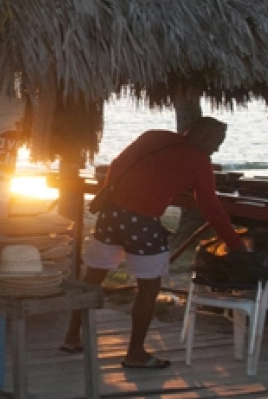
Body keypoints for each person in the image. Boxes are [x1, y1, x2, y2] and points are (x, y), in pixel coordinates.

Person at [61, 116, 248, 369]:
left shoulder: (153, 137)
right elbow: (210, 206)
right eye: (216, 142)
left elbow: (117, 165)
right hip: (143, 222)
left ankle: (72, 337)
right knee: (148, 288)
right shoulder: (199, 161)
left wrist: (120, 193)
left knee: (93, 276)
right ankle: (135, 353)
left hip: (112, 213)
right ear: (203, 137)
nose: (217, 148)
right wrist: (235, 244)